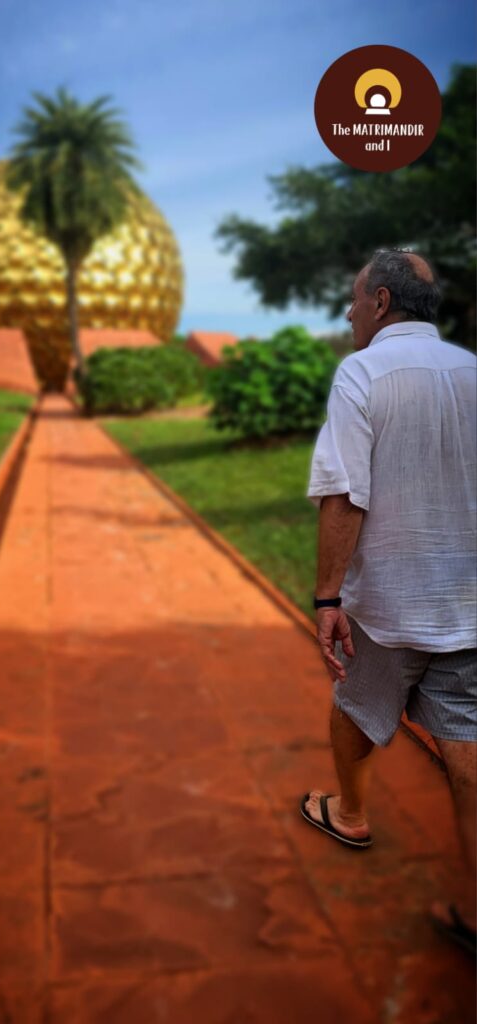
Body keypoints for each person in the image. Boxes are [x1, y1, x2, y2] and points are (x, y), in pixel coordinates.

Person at [302, 248, 477, 955]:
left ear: (379, 302)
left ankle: (346, 811)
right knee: (466, 746)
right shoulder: (472, 371)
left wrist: (325, 595)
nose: (347, 313)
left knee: (354, 705)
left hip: (387, 607)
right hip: (469, 605)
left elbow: (345, 495)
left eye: (352, 300)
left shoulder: (362, 372)